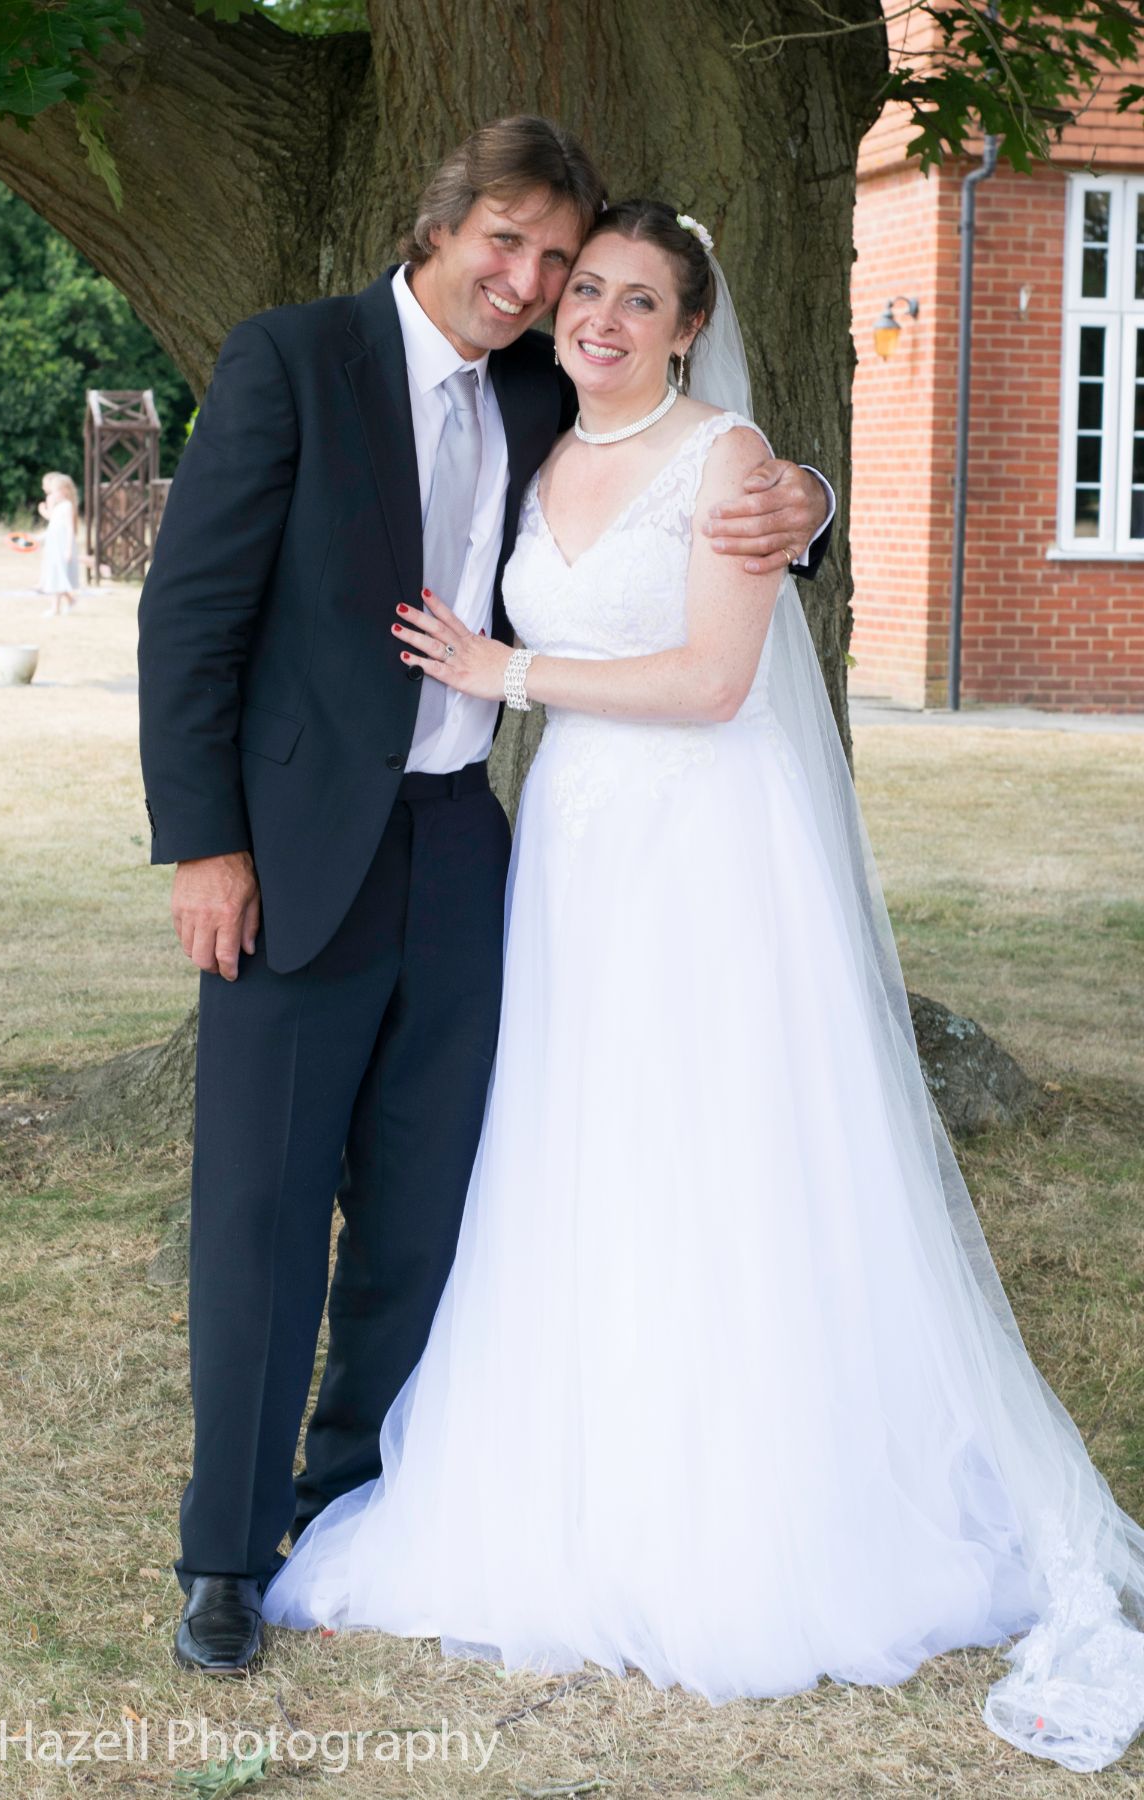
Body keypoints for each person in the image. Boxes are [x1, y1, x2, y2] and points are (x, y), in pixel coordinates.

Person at [260, 202, 1144, 1775]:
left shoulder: (729, 462)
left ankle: (748, 1489)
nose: (600, 317)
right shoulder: (535, 438)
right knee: (578, 1141)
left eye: (639, 299)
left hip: (703, 847)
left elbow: (716, 682)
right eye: (585, 289)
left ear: (688, 327)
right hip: (577, 851)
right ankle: (574, 1463)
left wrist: (511, 671)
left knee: (711, 1142)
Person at [136, 118, 834, 1681]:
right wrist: (206, 847)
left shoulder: (539, 385)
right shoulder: (292, 360)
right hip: (293, 856)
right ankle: (226, 1557)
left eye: (556, 259)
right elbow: (189, 619)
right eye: (506, 244)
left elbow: (678, 451)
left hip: (468, 852)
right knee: (260, 1211)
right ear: (439, 226)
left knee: (424, 1207)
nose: (529, 283)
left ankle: (354, 1498)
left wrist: (810, 494)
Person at [38, 472, 80, 616]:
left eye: (55, 491)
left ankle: (56, 608)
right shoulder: (58, 507)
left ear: (64, 491)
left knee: (57, 575)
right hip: (53, 545)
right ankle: (69, 601)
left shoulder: (67, 506)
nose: (52, 494)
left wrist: (68, 549)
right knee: (54, 574)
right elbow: (52, 528)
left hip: (61, 546)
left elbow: (69, 528)